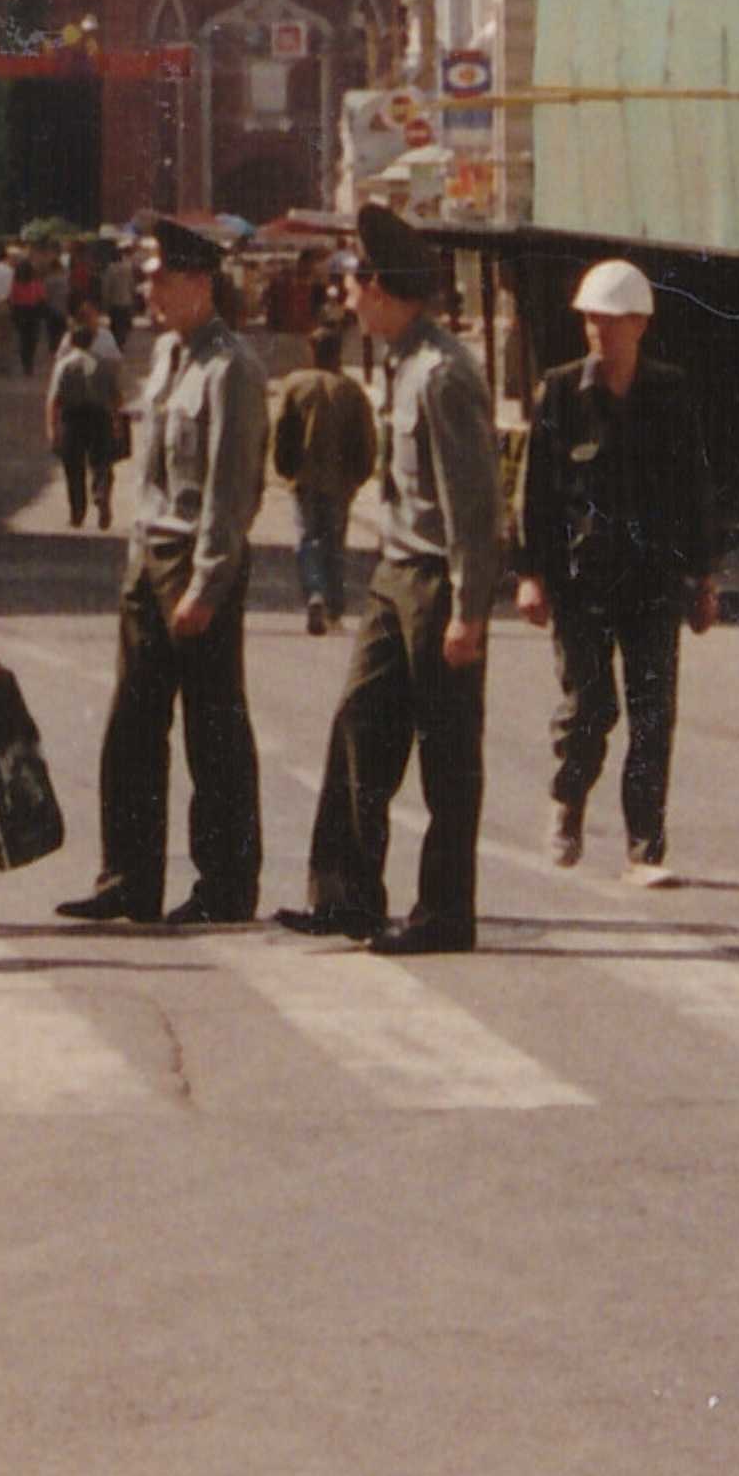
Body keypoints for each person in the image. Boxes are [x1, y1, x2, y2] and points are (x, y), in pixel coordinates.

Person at [287, 226, 505, 957]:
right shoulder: (400, 363)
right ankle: (345, 895)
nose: (346, 299)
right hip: (393, 572)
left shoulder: (443, 372)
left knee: (447, 753)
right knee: (359, 723)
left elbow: (474, 503)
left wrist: (471, 609)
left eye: (352, 285)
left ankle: (446, 912)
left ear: (380, 288)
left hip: (437, 579)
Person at [55, 221, 274, 932]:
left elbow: (230, 486)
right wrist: (134, 556)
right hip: (149, 557)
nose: (147, 288)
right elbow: (151, 472)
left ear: (199, 283)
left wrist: (207, 582)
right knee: (132, 725)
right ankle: (127, 878)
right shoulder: (168, 355)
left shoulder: (230, 366)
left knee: (213, 729)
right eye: (146, 277)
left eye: (160, 278)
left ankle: (226, 882)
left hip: (194, 559)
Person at [517, 249, 726, 882]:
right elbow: (535, 492)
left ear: (639, 323)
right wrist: (530, 574)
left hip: (653, 578)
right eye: (590, 321)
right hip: (582, 580)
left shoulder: (670, 392)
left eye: (610, 321)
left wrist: (704, 576)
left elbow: (694, 487)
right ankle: (568, 797)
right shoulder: (559, 392)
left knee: (653, 711)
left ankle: (645, 845)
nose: (599, 332)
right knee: (591, 707)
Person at [269, 294, 377, 630]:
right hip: (340, 482)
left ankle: (314, 592)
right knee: (334, 541)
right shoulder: (351, 390)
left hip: (304, 478)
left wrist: (284, 469)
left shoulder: (295, 386)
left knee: (307, 539)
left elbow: (281, 432)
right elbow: (367, 439)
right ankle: (334, 605)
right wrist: (360, 474)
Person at [43, 316, 125, 532]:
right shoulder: (103, 364)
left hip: (73, 418)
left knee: (73, 466)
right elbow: (116, 396)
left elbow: (53, 399)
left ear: (72, 342)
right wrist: (117, 422)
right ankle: (101, 492)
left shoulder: (64, 365)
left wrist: (52, 427)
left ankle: (77, 512)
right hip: (100, 416)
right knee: (102, 462)